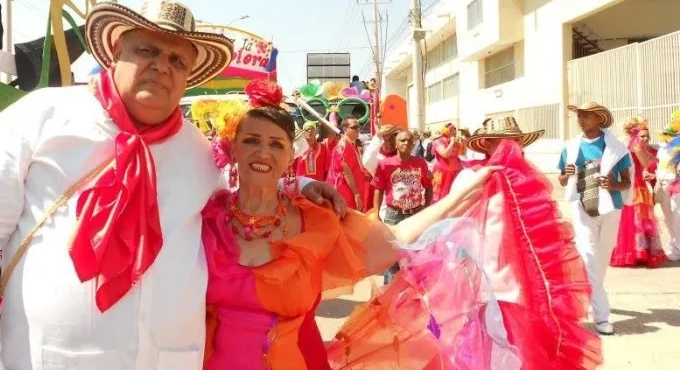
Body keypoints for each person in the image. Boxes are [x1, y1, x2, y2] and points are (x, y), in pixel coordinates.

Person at [0, 0, 346, 370]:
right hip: (44, 357)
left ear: (188, 76)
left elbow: (239, 188)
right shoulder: (39, 117)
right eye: (146, 50)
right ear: (116, 52)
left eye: (177, 60)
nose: (161, 66)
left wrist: (302, 183)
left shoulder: (196, 150)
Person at [199, 79, 505, 368]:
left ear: (291, 156)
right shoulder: (205, 218)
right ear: (233, 148)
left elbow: (396, 237)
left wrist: (462, 195)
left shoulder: (313, 221)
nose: (263, 152)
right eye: (251, 140)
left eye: (276, 144)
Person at [451, 116, 602, 369]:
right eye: (501, 142)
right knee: (487, 349)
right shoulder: (470, 177)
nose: (509, 147)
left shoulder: (528, 180)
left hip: (525, 285)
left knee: (524, 352)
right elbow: (455, 226)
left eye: (514, 141)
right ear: (487, 145)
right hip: (485, 282)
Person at [558, 102, 632, 336]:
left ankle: (592, 293)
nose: (581, 120)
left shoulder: (616, 148)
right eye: (579, 116)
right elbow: (562, 180)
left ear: (599, 119)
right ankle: (602, 317)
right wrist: (565, 175)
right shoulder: (570, 147)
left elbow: (627, 182)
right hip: (582, 206)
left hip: (611, 208)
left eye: (586, 116)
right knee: (588, 255)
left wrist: (612, 184)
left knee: (601, 258)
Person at [371, 129, 432, 283]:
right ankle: (389, 290)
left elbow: (428, 186)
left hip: (415, 214)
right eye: (403, 140)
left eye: (409, 141)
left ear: (413, 144)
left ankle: (412, 290)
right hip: (394, 214)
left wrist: (426, 207)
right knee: (392, 255)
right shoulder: (385, 164)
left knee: (415, 253)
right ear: (396, 144)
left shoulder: (420, 163)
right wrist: (376, 212)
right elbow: (378, 189)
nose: (406, 143)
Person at [610, 118, 667, 268]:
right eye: (643, 134)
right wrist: (652, 158)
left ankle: (629, 252)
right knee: (638, 218)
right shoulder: (635, 144)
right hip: (636, 184)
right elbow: (645, 163)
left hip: (627, 184)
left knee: (628, 219)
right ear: (635, 131)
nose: (646, 138)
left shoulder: (623, 142)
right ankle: (638, 252)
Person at [327, 117, 369, 211]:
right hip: (345, 193)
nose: (358, 129)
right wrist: (356, 194)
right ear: (345, 129)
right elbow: (346, 172)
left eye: (359, 126)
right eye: (354, 127)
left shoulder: (351, 144)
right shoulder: (344, 145)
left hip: (351, 192)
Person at [655, 110, 680, 260]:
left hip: (677, 184)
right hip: (664, 184)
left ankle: (677, 249)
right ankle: (675, 246)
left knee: (678, 216)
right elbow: (659, 166)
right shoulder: (663, 148)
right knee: (669, 218)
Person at [431, 123, 463, 202]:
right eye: (453, 132)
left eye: (455, 132)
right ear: (447, 132)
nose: (454, 134)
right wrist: (452, 143)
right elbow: (445, 154)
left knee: (455, 198)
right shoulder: (438, 142)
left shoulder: (454, 142)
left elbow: (462, 154)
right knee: (441, 198)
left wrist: (462, 143)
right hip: (443, 174)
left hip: (456, 173)